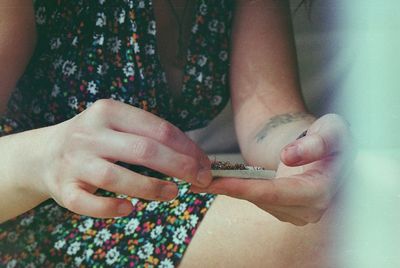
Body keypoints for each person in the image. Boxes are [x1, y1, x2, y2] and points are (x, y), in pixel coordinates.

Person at [0, 0, 351, 267]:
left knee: (356, 205)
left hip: (140, 199)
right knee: (330, 235)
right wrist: (45, 156)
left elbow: (270, 115)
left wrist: (309, 147)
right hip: (23, 212)